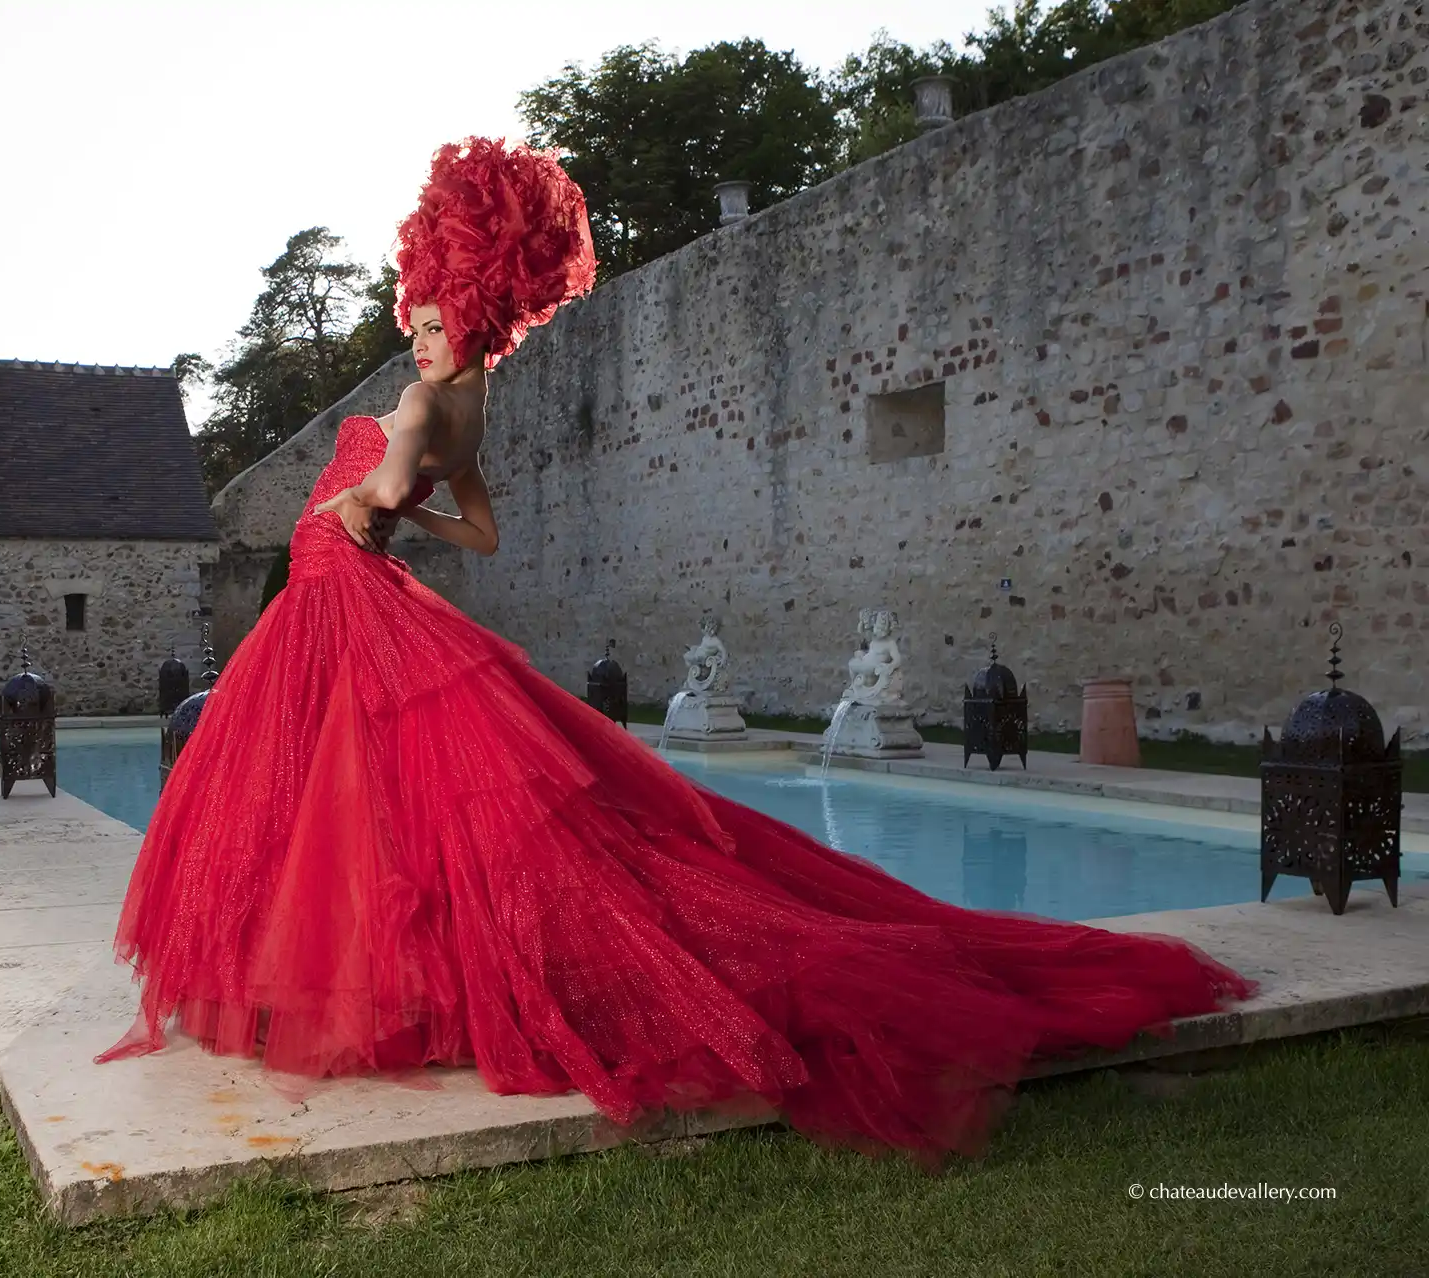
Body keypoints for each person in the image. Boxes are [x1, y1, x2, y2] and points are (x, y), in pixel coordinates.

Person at [98, 137, 1254, 1161]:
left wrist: (356, 509)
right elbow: (482, 534)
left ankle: (379, 995)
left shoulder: (416, 402)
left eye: (441, 315)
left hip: (341, 595)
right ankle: (405, 988)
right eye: (425, 316)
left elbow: (391, 484)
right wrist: (404, 517)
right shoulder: (474, 410)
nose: (425, 329)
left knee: (344, 802)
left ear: (472, 300)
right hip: (364, 593)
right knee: (389, 807)